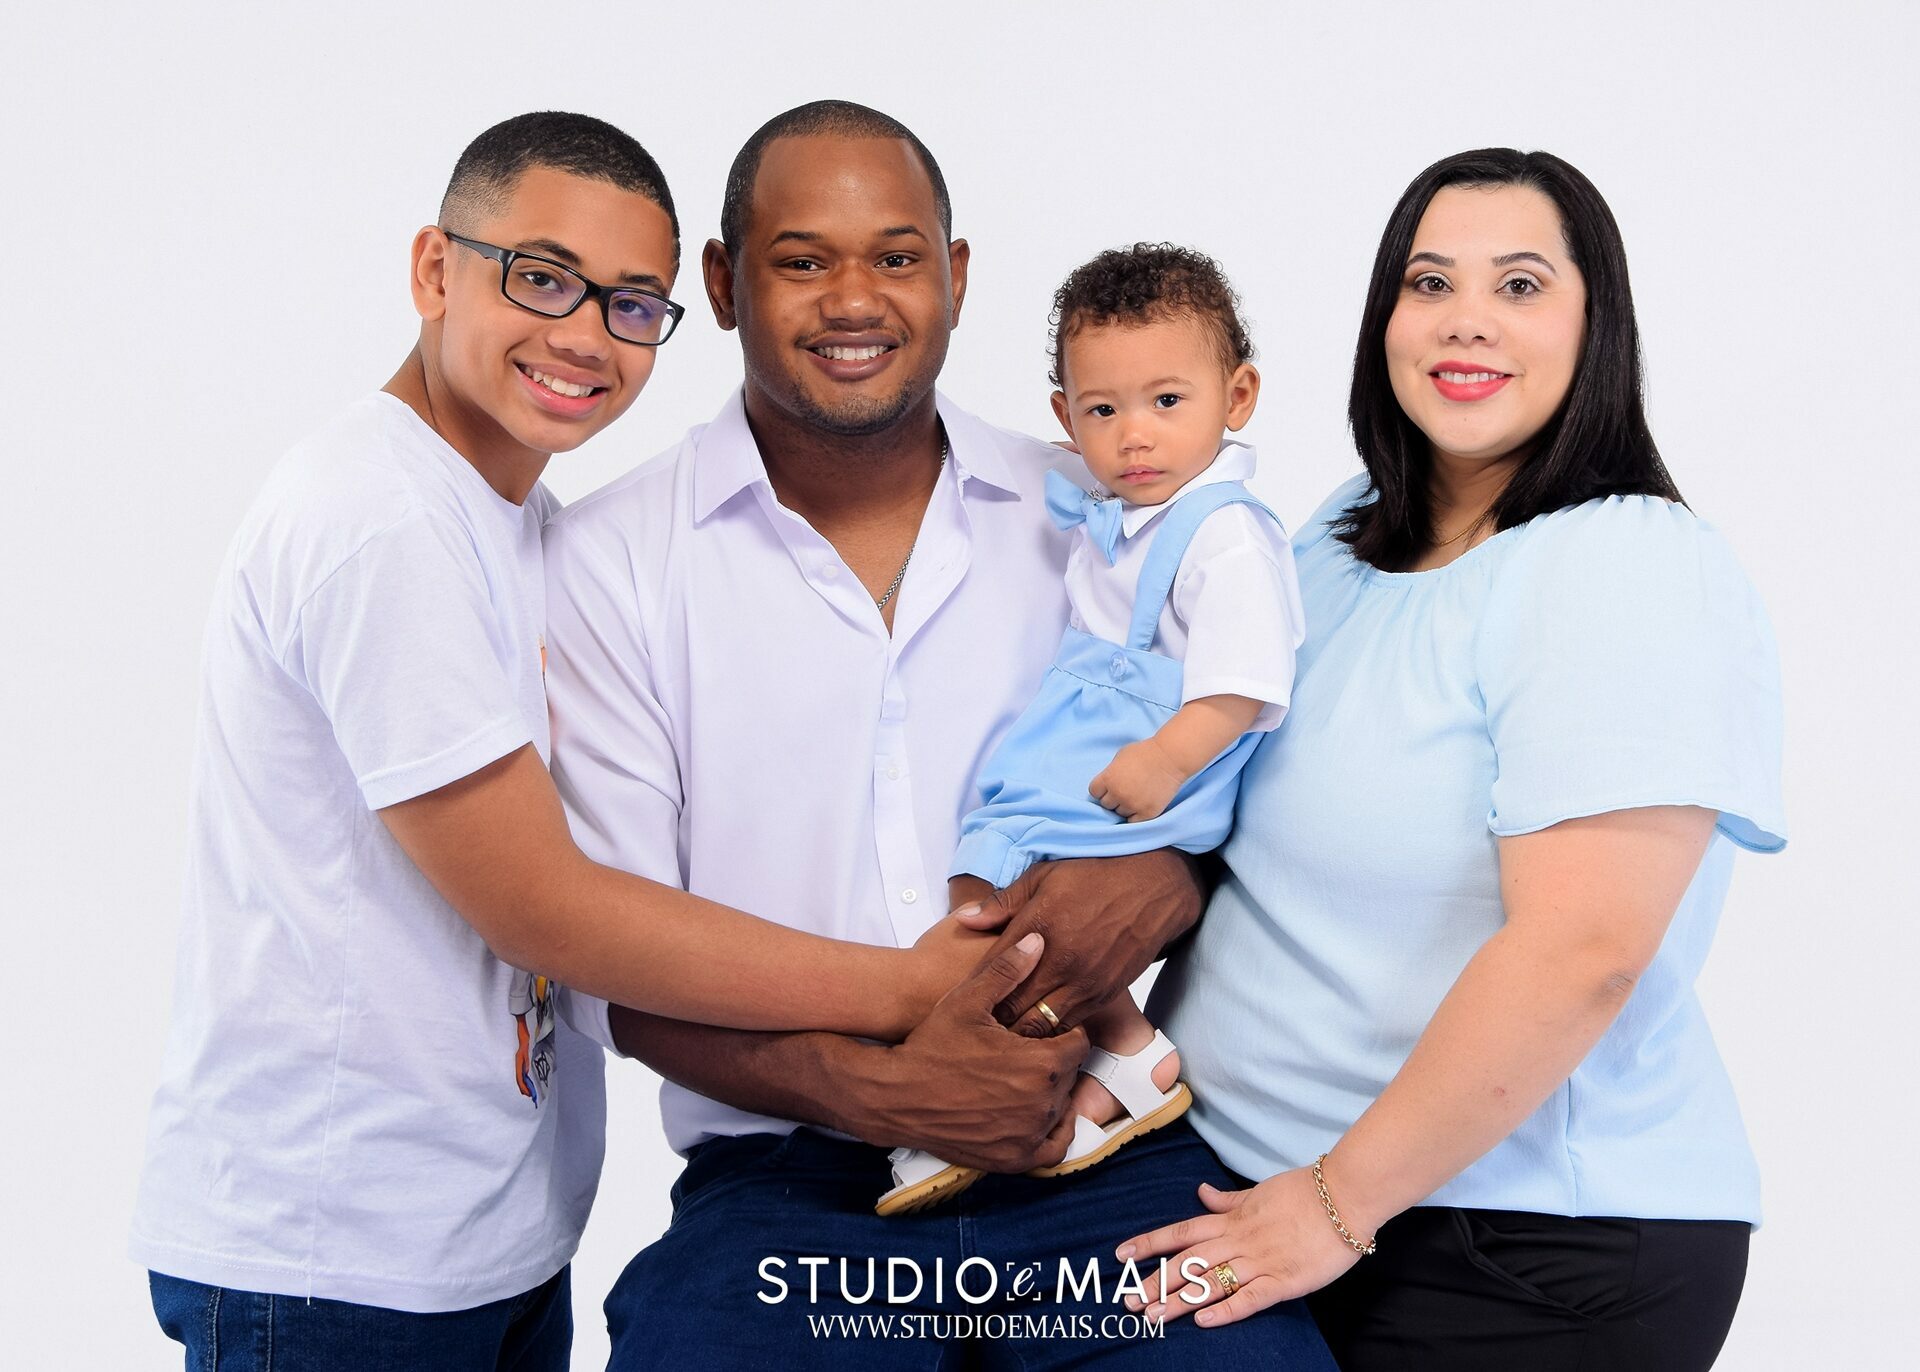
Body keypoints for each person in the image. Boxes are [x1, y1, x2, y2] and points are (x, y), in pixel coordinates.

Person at [130, 110, 1037, 1371]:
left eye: (629, 304)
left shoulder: (514, 519)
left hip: (482, 1233)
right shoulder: (380, 518)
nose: (583, 336)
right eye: (542, 278)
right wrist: (911, 986)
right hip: (335, 1244)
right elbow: (547, 911)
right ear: (435, 269)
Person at [544, 100, 1335, 1368]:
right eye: (803, 260)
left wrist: (1168, 876)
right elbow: (614, 968)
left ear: (956, 276)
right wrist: (876, 1087)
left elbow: (1245, 757)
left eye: (899, 256)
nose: (855, 299)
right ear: (726, 284)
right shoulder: (608, 564)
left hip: (1096, 1144)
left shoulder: (1099, 512)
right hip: (793, 1182)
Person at [1121, 149, 1785, 1371]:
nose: (1465, 318)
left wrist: (1333, 1207)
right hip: (1256, 1191)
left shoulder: (1624, 564)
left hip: (1513, 1244)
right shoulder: (1335, 534)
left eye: (1520, 285)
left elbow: (1584, 950)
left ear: (1596, 325)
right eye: (1429, 282)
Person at [881, 244, 1305, 1215]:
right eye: (1103, 411)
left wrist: (1165, 758)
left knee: (1022, 912)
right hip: (1077, 739)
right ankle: (1110, 1051)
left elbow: (1244, 686)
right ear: (1066, 419)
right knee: (980, 886)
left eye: (1168, 401)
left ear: (1237, 397)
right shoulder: (1119, 511)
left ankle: (1040, 1078)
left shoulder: (1226, 535)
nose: (1134, 435)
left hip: (1159, 759)